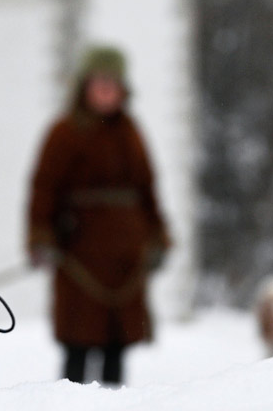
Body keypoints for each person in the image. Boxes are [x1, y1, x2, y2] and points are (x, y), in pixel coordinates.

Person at [27, 46, 170, 385]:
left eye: (112, 83)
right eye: (98, 82)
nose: (106, 90)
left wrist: (157, 237)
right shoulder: (63, 132)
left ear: (123, 89)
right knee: (77, 344)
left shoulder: (131, 133)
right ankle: (71, 410)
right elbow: (43, 190)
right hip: (78, 256)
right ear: (84, 86)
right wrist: (41, 238)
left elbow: (148, 191)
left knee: (116, 347)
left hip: (126, 260)